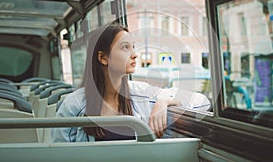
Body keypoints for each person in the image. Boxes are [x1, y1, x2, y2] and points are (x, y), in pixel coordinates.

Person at [52, 23, 210, 142]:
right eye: (125, 47)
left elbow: (203, 102)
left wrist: (164, 101)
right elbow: (60, 154)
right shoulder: (73, 106)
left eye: (133, 47)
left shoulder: (141, 94)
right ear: (103, 58)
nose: (134, 54)